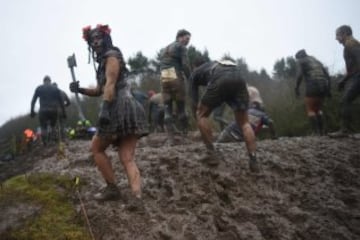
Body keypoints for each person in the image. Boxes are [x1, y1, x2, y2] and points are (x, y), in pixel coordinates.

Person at [70, 24, 148, 203]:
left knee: (97, 148)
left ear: (106, 38)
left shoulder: (112, 56)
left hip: (120, 106)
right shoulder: (104, 62)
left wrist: (105, 109)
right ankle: (136, 197)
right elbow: (99, 89)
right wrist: (80, 89)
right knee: (126, 157)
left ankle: (114, 189)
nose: (95, 41)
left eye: (98, 37)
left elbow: (111, 84)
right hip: (122, 106)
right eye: (92, 40)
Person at [189, 58, 259, 172]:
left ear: (194, 67)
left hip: (220, 77)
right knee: (245, 123)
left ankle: (212, 154)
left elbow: (193, 99)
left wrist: (196, 116)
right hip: (239, 78)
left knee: (201, 115)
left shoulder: (195, 73)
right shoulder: (215, 63)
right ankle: (253, 159)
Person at [159, 29, 191, 144]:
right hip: (175, 75)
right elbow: (185, 65)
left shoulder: (164, 49)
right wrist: (190, 78)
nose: (187, 42)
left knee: (167, 108)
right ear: (180, 37)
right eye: (187, 39)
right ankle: (185, 137)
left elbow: (162, 65)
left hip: (164, 76)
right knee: (181, 108)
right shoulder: (181, 47)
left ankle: (170, 139)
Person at [329, 25, 360, 137]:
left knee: (345, 100)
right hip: (356, 75)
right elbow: (353, 68)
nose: (336, 38)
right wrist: (343, 80)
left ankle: (344, 131)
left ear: (345, 34)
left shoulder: (350, 43)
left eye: (337, 35)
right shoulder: (351, 43)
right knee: (346, 100)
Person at [294, 49, 331, 135]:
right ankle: (322, 132)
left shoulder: (301, 61)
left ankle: (316, 132)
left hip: (312, 86)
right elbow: (327, 75)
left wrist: (296, 88)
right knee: (318, 109)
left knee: (310, 109)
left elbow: (299, 75)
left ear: (299, 57)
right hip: (323, 86)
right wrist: (328, 89)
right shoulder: (316, 60)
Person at [30, 75, 65, 146]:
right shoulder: (55, 88)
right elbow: (61, 101)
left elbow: (33, 101)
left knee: (43, 127)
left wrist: (32, 111)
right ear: (50, 81)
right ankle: (53, 141)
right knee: (53, 126)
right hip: (54, 110)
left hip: (43, 110)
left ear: (43, 81)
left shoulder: (39, 88)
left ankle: (45, 143)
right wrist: (64, 112)